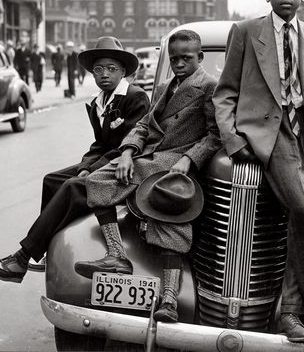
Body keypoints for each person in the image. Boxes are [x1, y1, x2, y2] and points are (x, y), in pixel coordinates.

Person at [212, 0, 304, 347]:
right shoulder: (246, 31)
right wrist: (235, 141)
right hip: (270, 134)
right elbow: (225, 93)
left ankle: (290, 314)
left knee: (303, 223)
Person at [73, 29, 221, 322]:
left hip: (176, 162)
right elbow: (144, 124)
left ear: (200, 57)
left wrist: (189, 160)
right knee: (97, 180)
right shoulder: (165, 86)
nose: (179, 63)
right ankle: (117, 255)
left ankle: (170, 300)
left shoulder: (209, 87)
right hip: (149, 157)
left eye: (186, 58)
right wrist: (128, 152)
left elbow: (215, 135)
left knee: (170, 218)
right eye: (174, 58)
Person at [0, 36, 150, 282]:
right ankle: (47, 249)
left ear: (123, 72)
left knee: (72, 187)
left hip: (125, 168)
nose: (104, 74)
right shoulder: (99, 101)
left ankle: (21, 259)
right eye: (98, 69)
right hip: (104, 162)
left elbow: (130, 145)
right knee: (51, 180)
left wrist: (90, 169)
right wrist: (85, 166)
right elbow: (100, 144)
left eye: (111, 69)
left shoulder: (135, 97)